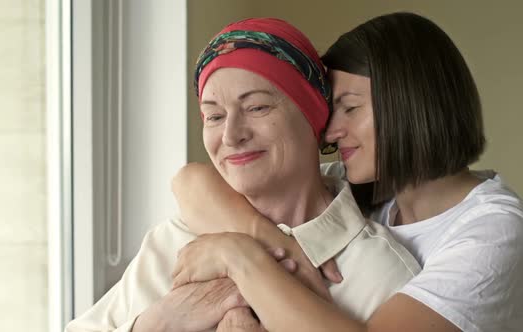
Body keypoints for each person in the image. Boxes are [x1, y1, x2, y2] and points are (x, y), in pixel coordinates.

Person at [172, 12, 523, 332]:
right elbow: (191, 183)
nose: (329, 131)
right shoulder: (366, 186)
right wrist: (272, 241)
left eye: (350, 108)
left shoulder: (494, 233)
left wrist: (241, 258)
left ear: (409, 107)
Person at [65, 18, 422, 332]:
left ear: (314, 114)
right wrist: (161, 321)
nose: (231, 135)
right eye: (214, 116)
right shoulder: (173, 240)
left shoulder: (380, 272)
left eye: (256, 107)